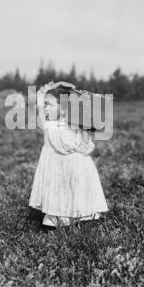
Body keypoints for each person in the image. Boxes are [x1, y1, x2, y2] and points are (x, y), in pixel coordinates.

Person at [28, 81, 109, 230]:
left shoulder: (71, 124)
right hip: (59, 170)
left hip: (76, 168)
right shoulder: (50, 124)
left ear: (64, 108)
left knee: (77, 193)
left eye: (49, 105)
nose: (45, 108)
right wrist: (52, 87)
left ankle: (80, 219)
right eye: (45, 105)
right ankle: (59, 221)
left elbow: (87, 134)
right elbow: (40, 97)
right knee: (62, 195)